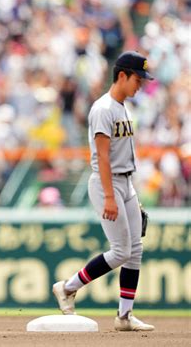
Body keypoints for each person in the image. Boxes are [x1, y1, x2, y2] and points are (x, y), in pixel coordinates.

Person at [52, 51, 155, 331]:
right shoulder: (103, 108)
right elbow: (103, 156)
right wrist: (110, 195)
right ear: (122, 75)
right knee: (121, 251)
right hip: (105, 183)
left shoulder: (122, 107)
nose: (140, 84)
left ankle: (124, 316)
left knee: (135, 249)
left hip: (125, 184)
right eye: (137, 78)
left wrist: (130, 194)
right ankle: (68, 286)